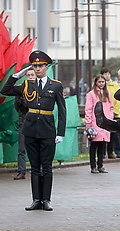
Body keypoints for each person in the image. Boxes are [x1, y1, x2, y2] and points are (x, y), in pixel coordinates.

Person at [1, 50, 66, 211]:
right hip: (30, 129)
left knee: (47, 166)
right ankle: (36, 200)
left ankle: (47, 200)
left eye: (40, 66)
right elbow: (5, 90)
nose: (37, 69)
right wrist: (17, 75)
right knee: (35, 167)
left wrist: (61, 133)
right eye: (35, 66)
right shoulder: (27, 84)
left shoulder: (56, 85)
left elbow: (62, 110)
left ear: (46, 67)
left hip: (47, 128)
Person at [85, 75, 113, 174]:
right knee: (94, 145)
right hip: (95, 122)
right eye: (99, 82)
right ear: (96, 82)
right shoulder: (91, 94)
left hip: (105, 123)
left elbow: (111, 107)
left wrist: (110, 118)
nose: (101, 84)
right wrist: (88, 122)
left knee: (102, 145)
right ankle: (93, 166)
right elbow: (88, 109)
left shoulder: (107, 93)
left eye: (103, 82)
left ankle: (100, 165)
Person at [13, 69, 36, 180]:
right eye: (28, 75)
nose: (30, 77)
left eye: (32, 75)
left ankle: (37, 170)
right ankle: (21, 171)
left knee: (37, 148)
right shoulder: (21, 89)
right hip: (24, 120)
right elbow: (17, 106)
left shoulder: (40, 88)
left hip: (37, 122)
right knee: (21, 148)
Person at [101, 67, 120, 159]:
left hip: (113, 113)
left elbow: (117, 100)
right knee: (103, 133)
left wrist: (115, 112)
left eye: (108, 73)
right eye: (105, 74)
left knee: (112, 134)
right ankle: (102, 152)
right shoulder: (100, 87)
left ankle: (110, 151)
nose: (107, 75)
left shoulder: (115, 85)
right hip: (103, 113)